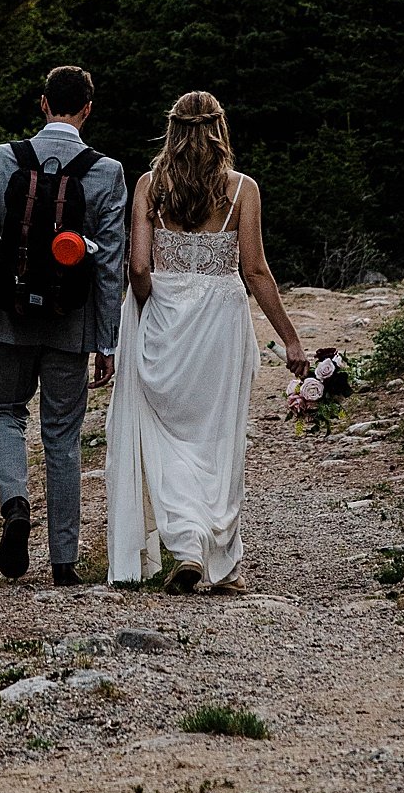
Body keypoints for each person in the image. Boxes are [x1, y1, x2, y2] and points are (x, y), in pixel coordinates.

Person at [106, 89, 309, 593]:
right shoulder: (243, 190)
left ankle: (186, 543)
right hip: (220, 323)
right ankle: (218, 556)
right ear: (221, 129)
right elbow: (255, 270)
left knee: (165, 436)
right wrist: (291, 340)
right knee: (218, 439)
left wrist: (152, 303)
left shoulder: (150, 187)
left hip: (165, 321)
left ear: (172, 129)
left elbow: (136, 265)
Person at [0, 65, 127, 585]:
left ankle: (15, 503)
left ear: (42, 104)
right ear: (87, 109)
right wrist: (107, 341)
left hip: (9, 317)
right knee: (62, 435)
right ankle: (64, 563)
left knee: (4, 412)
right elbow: (110, 265)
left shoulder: (2, 159)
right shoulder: (107, 172)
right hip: (71, 324)